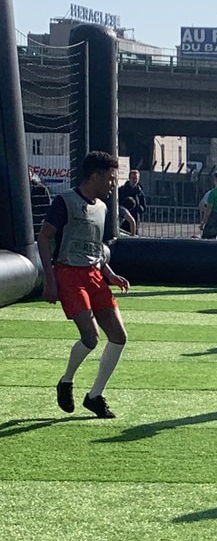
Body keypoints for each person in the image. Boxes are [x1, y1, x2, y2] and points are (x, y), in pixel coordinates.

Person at [38, 149, 131, 419]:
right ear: (96, 176)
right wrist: (50, 278)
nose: (114, 184)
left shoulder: (102, 208)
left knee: (119, 336)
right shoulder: (64, 201)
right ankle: (66, 381)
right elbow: (45, 239)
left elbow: (95, 247)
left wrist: (110, 274)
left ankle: (95, 396)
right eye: (112, 179)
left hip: (93, 274)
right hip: (68, 274)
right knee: (90, 338)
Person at [118, 168, 147, 232]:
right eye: (133, 178)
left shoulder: (140, 192)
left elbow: (144, 208)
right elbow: (117, 204)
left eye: (136, 178)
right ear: (129, 178)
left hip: (135, 221)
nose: (134, 180)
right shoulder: (122, 190)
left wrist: (137, 205)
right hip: (122, 222)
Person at [29, 170, 52, 238]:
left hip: (37, 225)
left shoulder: (41, 189)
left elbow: (48, 206)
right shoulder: (15, 189)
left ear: (32, 174)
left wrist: (41, 219)